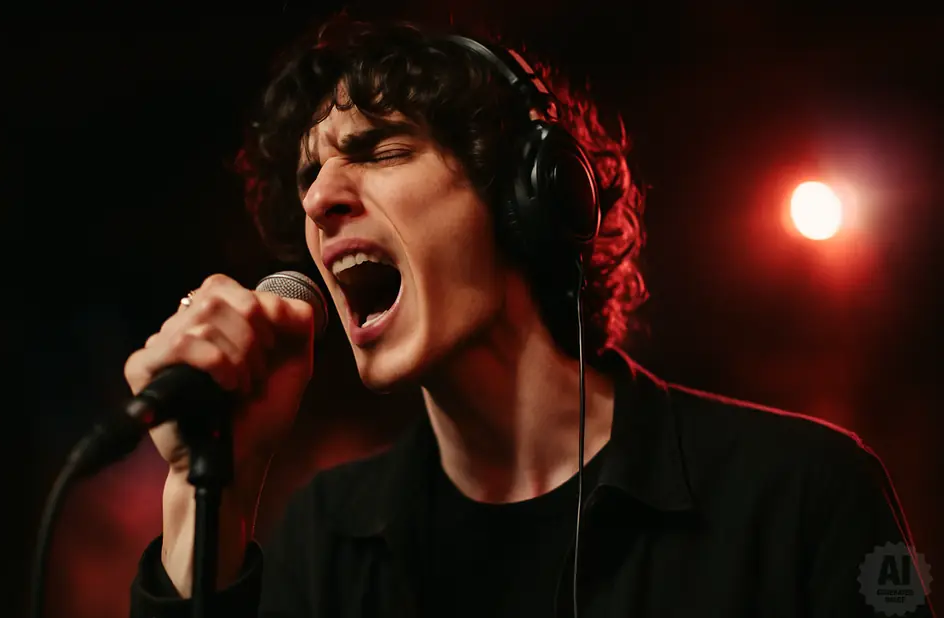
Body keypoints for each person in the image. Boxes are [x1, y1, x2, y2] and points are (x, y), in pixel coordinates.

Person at [125, 17, 933, 618]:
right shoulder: (326, 538)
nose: (318, 198)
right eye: (308, 174)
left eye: (377, 150)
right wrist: (212, 497)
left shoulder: (800, 495)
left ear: (525, 196)